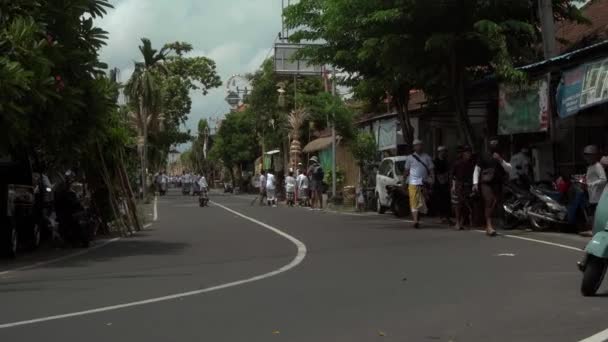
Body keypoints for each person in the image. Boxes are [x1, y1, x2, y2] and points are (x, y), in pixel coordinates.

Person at [473, 138, 512, 236]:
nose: (494, 145)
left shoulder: (501, 155)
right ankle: (489, 226)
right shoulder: (484, 155)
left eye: (496, 143)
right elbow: (477, 169)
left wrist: (500, 160)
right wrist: (475, 183)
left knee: (496, 202)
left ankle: (492, 222)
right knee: (489, 201)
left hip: (498, 183)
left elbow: (509, 169)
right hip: (486, 183)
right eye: (492, 143)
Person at [404, 139, 434, 228]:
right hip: (413, 182)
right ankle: (415, 221)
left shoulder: (427, 157)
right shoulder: (410, 158)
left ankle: (417, 218)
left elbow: (431, 169)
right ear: (414, 147)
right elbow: (406, 171)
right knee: (414, 201)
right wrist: (403, 181)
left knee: (422, 202)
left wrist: (433, 179)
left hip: (424, 183)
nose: (419, 147)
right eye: (417, 145)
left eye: (420, 145)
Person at [581, 145, 608, 236]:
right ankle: (593, 233)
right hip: (592, 196)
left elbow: (603, 179)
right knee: (592, 216)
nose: (587, 158)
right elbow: (590, 179)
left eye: (589, 155)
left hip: (598, 197)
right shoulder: (590, 167)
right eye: (586, 156)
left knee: (597, 217)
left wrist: (591, 184)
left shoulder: (597, 166)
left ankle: (596, 235)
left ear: (594, 156)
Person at [451, 145, 475, 230]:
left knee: (467, 204)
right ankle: (457, 222)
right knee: (458, 204)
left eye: (469, 153)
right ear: (463, 154)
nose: (468, 154)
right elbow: (453, 176)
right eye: (467, 152)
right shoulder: (457, 163)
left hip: (469, 185)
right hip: (459, 185)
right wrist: (453, 187)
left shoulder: (472, 163)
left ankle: (463, 221)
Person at [433, 146, 452, 224]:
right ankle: (441, 216)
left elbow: (449, 171)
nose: (443, 153)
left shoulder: (446, 161)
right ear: (439, 152)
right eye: (442, 151)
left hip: (446, 182)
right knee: (439, 200)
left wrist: (448, 179)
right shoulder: (435, 161)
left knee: (447, 200)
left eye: (444, 151)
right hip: (438, 183)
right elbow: (435, 172)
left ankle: (447, 217)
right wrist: (440, 179)